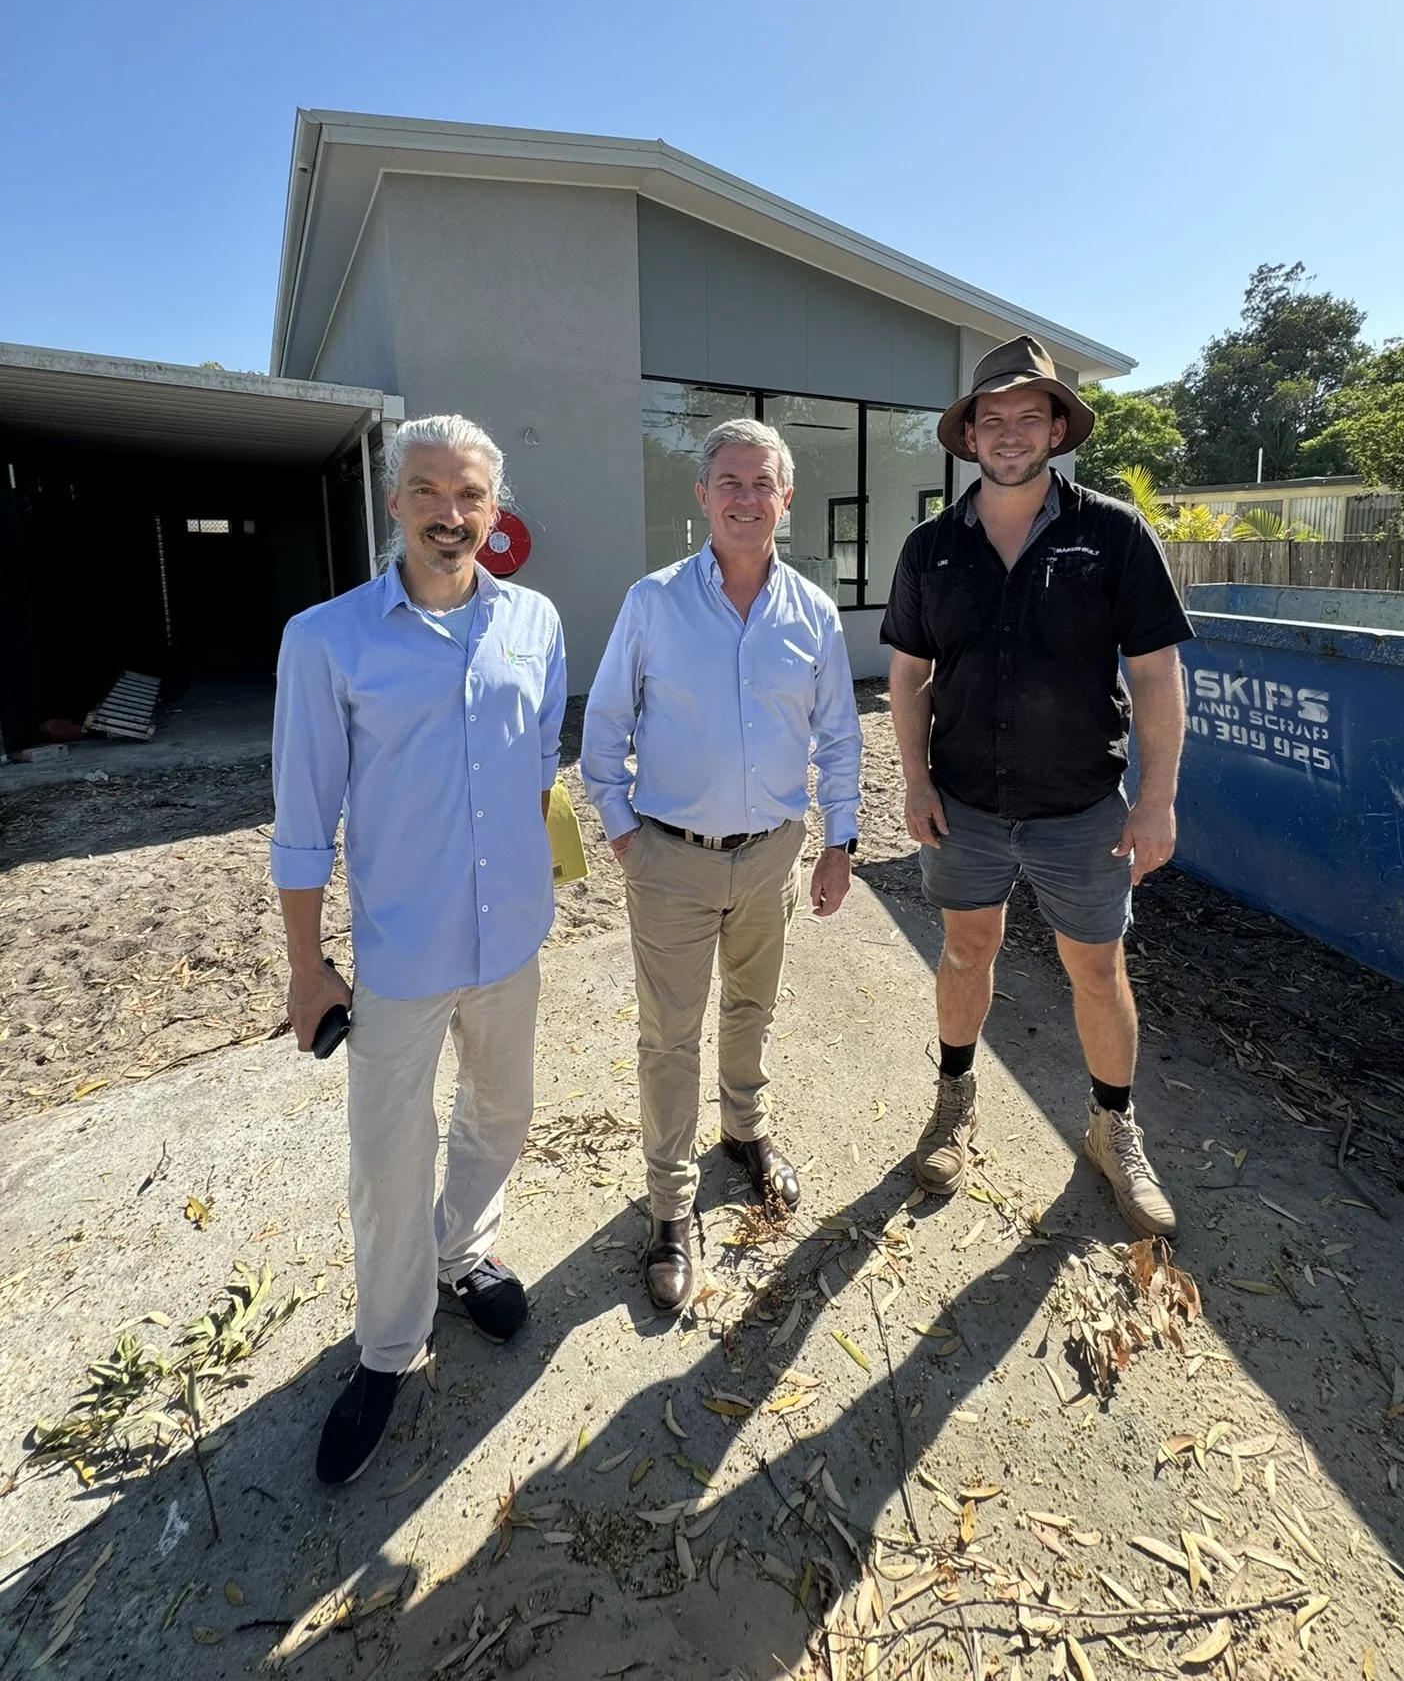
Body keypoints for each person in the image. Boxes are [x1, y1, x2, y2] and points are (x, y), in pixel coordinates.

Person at [271, 413, 565, 1484]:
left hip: (511, 942)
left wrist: (541, 889)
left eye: (472, 494)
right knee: (388, 1159)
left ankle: (463, 1253)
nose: (452, 513)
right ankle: (388, 1347)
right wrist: (310, 967)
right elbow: (302, 820)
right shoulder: (327, 639)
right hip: (397, 955)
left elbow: (538, 773)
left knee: (502, 1110)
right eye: (430, 491)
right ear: (393, 502)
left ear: (496, 509)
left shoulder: (535, 620)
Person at [880, 337, 1193, 1237]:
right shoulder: (931, 547)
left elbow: (1159, 675)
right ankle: (953, 1101)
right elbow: (907, 676)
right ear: (968, 435)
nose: (1008, 432)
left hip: (1082, 807)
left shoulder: (1114, 534)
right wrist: (912, 781)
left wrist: (1158, 798)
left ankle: (1112, 1128)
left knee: (1097, 967)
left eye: (1027, 416)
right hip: (967, 804)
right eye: (991, 418)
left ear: (1057, 427)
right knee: (966, 952)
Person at [582, 419, 862, 1311]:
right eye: (729, 483)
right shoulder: (652, 603)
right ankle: (670, 1208)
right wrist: (627, 833)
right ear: (702, 498)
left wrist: (840, 840)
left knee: (754, 1005)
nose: (746, 498)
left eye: (762, 483)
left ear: (787, 499)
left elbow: (840, 735)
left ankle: (744, 1130)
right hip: (670, 859)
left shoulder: (812, 613)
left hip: (772, 856)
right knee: (668, 1035)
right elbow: (604, 729)